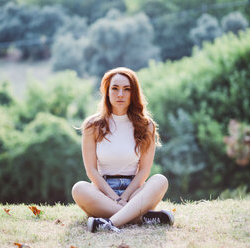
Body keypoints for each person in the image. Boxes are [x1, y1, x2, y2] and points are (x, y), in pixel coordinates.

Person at [71, 67, 174, 233]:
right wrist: (113, 197)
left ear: (133, 93)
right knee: (79, 188)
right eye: (115, 88)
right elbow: (91, 170)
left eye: (127, 89)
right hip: (103, 192)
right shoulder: (92, 126)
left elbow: (144, 171)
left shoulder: (146, 126)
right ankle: (142, 217)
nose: (120, 94)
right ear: (106, 91)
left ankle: (109, 223)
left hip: (135, 191)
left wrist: (125, 197)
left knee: (160, 180)